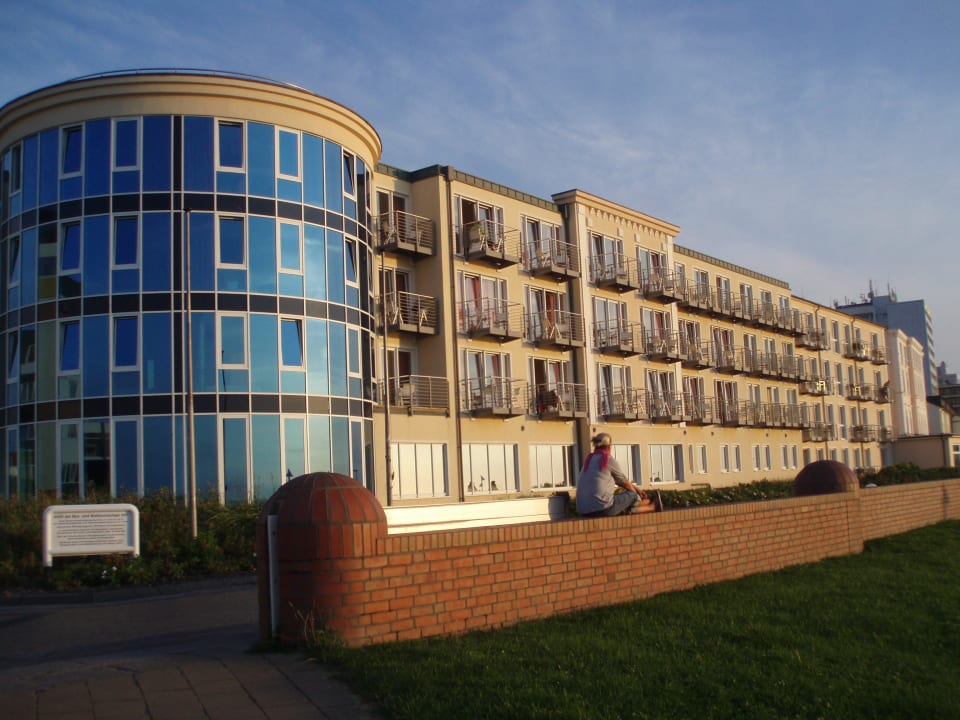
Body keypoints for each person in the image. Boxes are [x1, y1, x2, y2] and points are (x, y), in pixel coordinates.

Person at [576, 433, 662, 517]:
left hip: (584, 511)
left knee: (622, 502)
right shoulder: (608, 459)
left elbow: (620, 481)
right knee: (632, 495)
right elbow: (624, 482)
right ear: (609, 446)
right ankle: (652, 505)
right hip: (604, 509)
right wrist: (637, 495)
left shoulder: (589, 460)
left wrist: (638, 490)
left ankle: (650, 505)